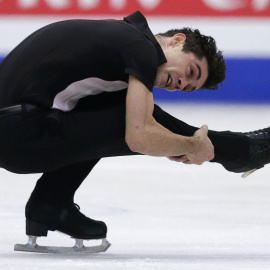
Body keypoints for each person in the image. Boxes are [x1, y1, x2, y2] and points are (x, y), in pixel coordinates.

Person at [0, 11, 269, 252]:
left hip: (17, 130)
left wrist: (177, 142)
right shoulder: (140, 48)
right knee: (128, 117)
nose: (180, 83)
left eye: (186, 87)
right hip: (20, 136)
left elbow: (145, 127)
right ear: (177, 40)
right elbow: (138, 136)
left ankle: (50, 205)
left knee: (125, 107)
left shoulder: (123, 39)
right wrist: (191, 146)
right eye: (190, 71)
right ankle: (241, 151)